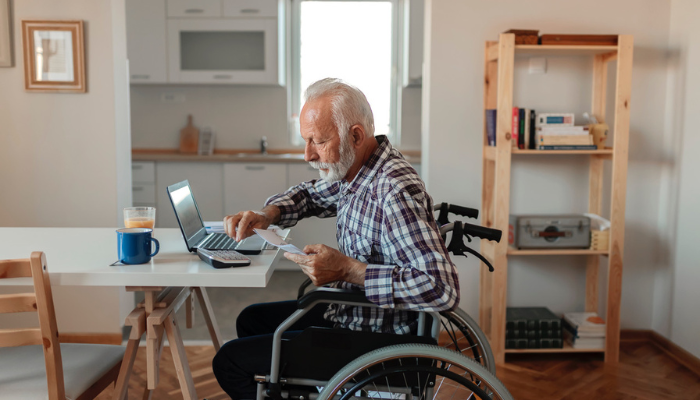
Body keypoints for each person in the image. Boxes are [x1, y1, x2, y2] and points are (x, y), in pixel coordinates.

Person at [212, 78, 459, 399]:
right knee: (252, 320)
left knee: (230, 362)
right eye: (306, 141)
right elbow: (311, 195)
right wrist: (268, 214)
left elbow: (441, 289)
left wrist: (347, 270)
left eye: (317, 141)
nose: (308, 155)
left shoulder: (393, 188)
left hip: (378, 338)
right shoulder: (357, 169)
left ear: (355, 135)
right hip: (353, 314)